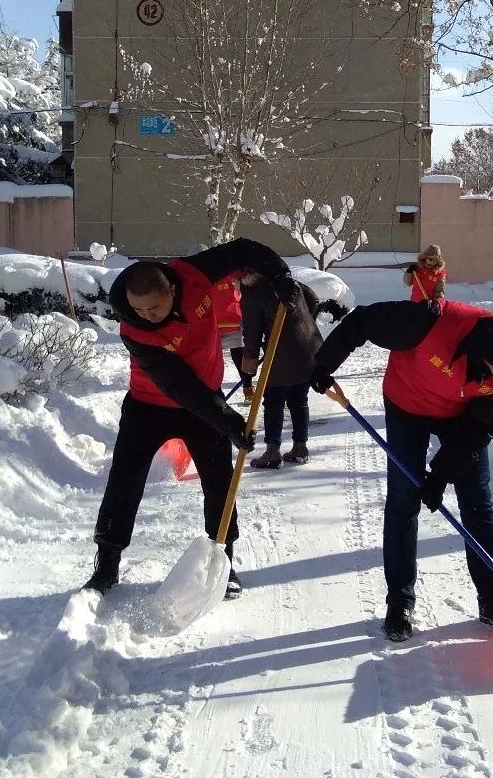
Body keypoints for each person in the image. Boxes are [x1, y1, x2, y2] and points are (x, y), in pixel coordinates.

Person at [309, 299, 493, 641]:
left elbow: (476, 430)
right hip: (406, 403)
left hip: (458, 416)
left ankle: (492, 596)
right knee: (403, 499)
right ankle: (400, 602)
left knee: (477, 499)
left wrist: (440, 474)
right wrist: (323, 364)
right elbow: (363, 321)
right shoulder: (429, 321)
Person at [84, 238, 299, 598]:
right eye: (140, 310)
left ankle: (223, 562)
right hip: (148, 406)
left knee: (219, 483)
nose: (148, 316)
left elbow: (243, 249)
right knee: (124, 481)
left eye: (154, 308)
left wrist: (279, 274)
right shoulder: (133, 329)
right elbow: (178, 384)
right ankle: (107, 562)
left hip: (203, 403)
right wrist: (227, 420)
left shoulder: (193, 273)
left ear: (171, 289)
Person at [239, 272, 323, 468]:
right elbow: (314, 299)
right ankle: (300, 448)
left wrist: (249, 359)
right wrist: (297, 325)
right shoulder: (288, 282)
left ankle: (272, 452)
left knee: (274, 402)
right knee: (299, 400)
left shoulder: (254, 294)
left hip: (280, 356)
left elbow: (251, 332)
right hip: (308, 348)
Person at [215, 273, 254, 402]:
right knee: (213, 361)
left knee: (239, 356)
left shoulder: (231, 271)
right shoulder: (204, 274)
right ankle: (215, 394)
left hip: (232, 319)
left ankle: (248, 388)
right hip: (212, 322)